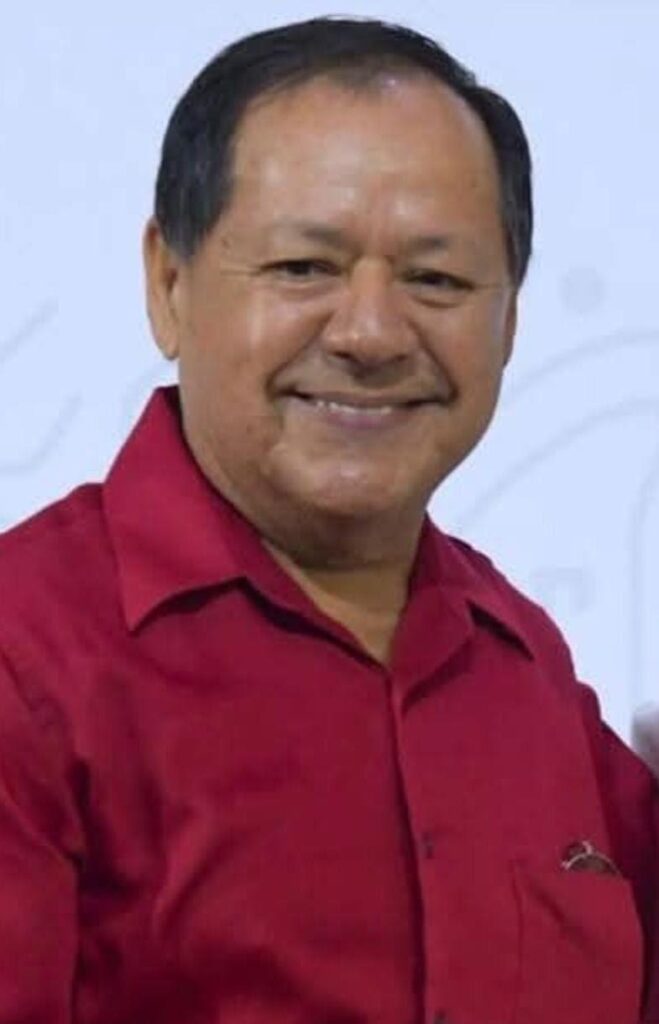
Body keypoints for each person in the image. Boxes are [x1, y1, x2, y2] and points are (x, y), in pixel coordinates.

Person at [0, 16, 656, 1024]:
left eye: (435, 280)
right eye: (303, 267)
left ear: (509, 322)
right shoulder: (27, 655)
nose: (370, 333)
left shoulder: (524, 667)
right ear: (167, 283)